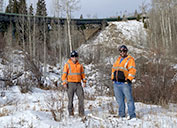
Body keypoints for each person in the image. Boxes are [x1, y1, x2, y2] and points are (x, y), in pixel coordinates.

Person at [111, 45, 136, 120]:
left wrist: (129, 79)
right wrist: (112, 78)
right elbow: (113, 69)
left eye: (124, 51)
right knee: (119, 100)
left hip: (125, 83)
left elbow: (132, 70)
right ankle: (121, 114)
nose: (122, 52)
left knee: (129, 100)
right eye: (121, 51)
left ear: (126, 51)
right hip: (116, 83)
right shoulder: (118, 59)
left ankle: (132, 115)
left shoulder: (130, 59)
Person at [62, 50, 86, 117]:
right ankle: (70, 113)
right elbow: (64, 75)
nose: (74, 58)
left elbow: (82, 75)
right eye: (72, 56)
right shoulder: (67, 64)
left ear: (77, 57)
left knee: (81, 98)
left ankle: (81, 113)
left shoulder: (80, 65)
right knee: (70, 99)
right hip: (70, 84)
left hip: (78, 84)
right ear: (71, 57)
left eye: (75, 56)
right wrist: (64, 83)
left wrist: (84, 82)